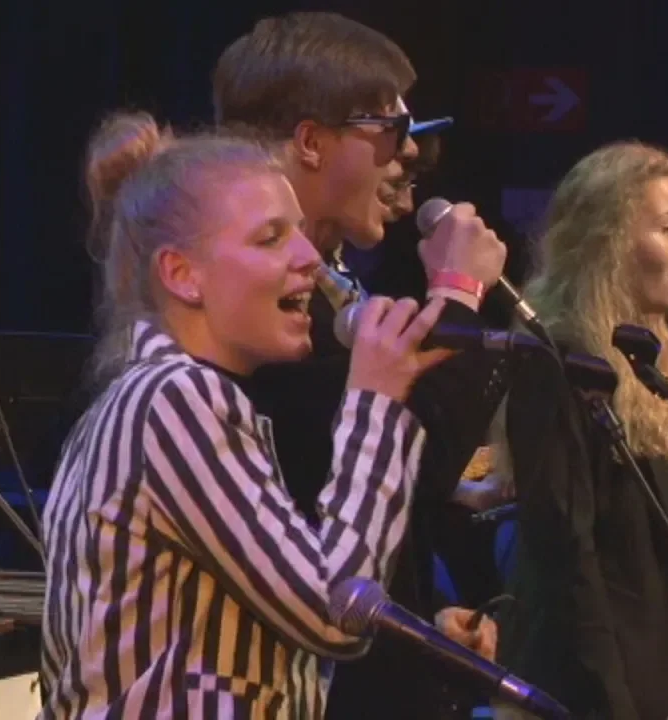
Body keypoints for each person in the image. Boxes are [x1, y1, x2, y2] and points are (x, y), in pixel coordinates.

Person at [38, 112, 452, 717]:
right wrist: (376, 402)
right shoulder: (174, 400)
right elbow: (334, 612)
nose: (310, 257)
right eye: (271, 238)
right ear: (182, 275)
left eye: (300, 233)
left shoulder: (166, 398)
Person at [213, 12, 509, 718]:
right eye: (391, 129)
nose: (409, 154)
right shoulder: (258, 314)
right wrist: (457, 297)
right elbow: (408, 463)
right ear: (311, 141)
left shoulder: (332, 289)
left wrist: (415, 620)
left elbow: (353, 507)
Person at [490, 141, 668, 720]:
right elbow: (567, 556)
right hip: (574, 695)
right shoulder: (557, 362)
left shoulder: (645, 360)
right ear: (607, 245)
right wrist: (613, 704)